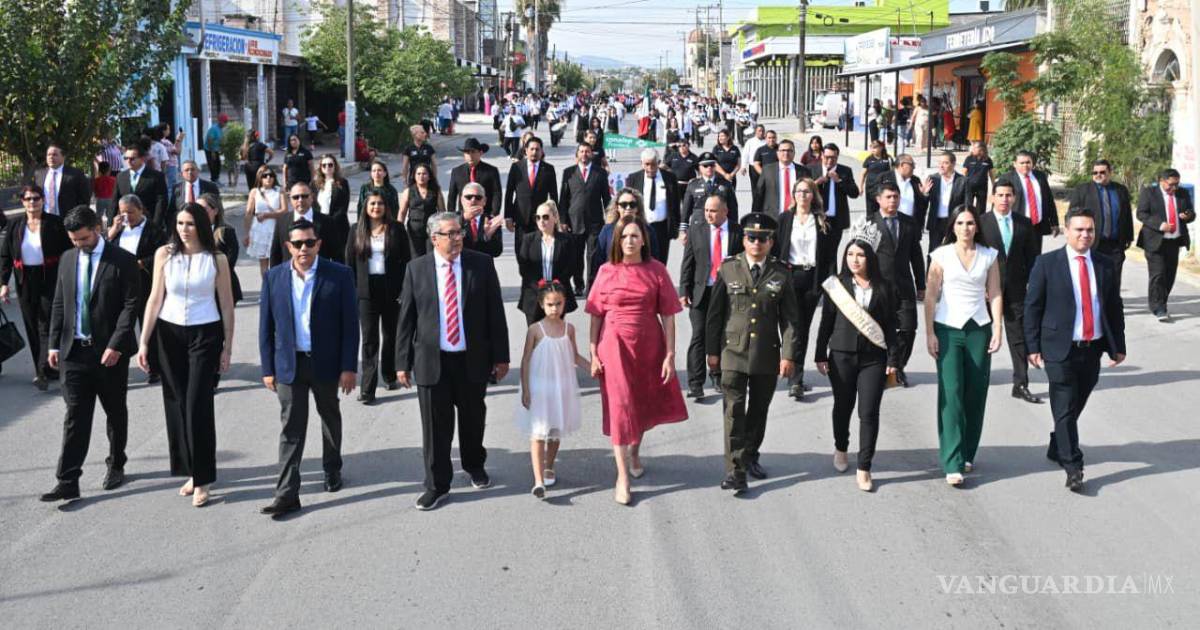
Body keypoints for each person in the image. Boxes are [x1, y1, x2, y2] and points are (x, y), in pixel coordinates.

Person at [395, 212, 510, 511]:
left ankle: (474, 465)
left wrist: (501, 357)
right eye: (451, 234)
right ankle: (437, 485)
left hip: (471, 359)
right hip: (432, 361)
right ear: (434, 238)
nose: (458, 238)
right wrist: (401, 362)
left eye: (459, 232)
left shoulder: (481, 264)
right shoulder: (416, 269)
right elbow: (406, 319)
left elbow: (495, 312)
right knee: (435, 428)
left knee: (473, 419)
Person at [258, 219, 359, 519]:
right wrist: (267, 368)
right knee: (291, 428)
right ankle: (286, 494)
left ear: (318, 244)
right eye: (298, 244)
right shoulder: (274, 277)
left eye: (309, 243)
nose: (304, 248)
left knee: (329, 416)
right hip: (289, 365)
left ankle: (332, 468)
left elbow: (350, 326)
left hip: (325, 363)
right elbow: (266, 328)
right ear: (288, 246)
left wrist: (348, 367)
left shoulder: (339, 275)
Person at [39, 206, 140, 502]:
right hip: (73, 353)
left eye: (83, 238)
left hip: (109, 353)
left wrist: (116, 344)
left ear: (97, 228)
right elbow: (60, 303)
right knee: (75, 416)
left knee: (114, 411)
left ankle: (116, 463)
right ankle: (68, 480)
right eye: (74, 240)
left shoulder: (122, 260)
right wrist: (54, 345)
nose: (79, 244)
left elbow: (130, 306)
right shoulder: (68, 259)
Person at [137, 202, 235, 507]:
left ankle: (204, 478)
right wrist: (143, 342)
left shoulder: (216, 259)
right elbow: (154, 299)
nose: (184, 229)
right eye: (180, 223)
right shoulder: (164, 255)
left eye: (190, 224)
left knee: (197, 404)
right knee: (177, 402)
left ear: (201, 226)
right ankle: (191, 470)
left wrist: (228, 347)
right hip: (169, 333)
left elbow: (226, 304)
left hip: (205, 333)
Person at [587, 215, 688, 505]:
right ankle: (622, 477)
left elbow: (668, 316)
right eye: (624, 236)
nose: (629, 241)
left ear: (644, 239)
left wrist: (670, 354)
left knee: (641, 403)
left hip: (648, 345)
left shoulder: (656, 270)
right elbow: (595, 315)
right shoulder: (606, 271)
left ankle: (634, 451)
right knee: (620, 406)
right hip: (613, 344)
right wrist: (593, 352)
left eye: (634, 235)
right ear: (616, 241)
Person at [1024, 208, 1127, 492]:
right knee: (1065, 404)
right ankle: (1073, 466)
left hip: (1091, 348)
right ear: (1067, 231)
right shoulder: (1047, 263)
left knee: (1074, 404)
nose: (1085, 235)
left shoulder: (1105, 264)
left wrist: (1118, 345)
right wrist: (1032, 346)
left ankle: (1058, 444)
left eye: (1090, 230)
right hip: (1059, 348)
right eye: (1079, 229)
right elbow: (1032, 307)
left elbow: (1113, 306)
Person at [706, 213, 798, 493]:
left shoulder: (781, 272)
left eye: (762, 238)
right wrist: (712, 352)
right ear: (744, 240)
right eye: (751, 237)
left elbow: (790, 320)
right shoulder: (728, 268)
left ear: (771, 242)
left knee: (758, 410)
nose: (756, 243)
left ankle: (749, 456)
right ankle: (735, 470)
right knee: (734, 411)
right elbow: (715, 314)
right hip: (732, 351)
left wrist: (788, 355)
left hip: (766, 353)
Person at [814, 220, 899, 492]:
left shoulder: (885, 287)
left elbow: (890, 326)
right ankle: (841, 447)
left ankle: (864, 466)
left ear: (870, 257)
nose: (854, 259)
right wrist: (820, 353)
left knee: (869, 411)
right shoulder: (836, 285)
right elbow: (826, 322)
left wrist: (893, 359)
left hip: (873, 358)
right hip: (841, 355)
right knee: (843, 406)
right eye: (850, 254)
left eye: (860, 254)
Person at [924, 205, 1003, 486]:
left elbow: (995, 292)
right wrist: (929, 333)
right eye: (960, 223)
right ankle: (952, 461)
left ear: (977, 226)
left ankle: (968, 452)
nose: (965, 228)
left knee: (975, 392)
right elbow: (931, 296)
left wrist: (997, 327)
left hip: (978, 328)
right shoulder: (941, 255)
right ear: (953, 226)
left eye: (970, 223)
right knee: (952, 393)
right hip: (947, 328)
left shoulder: (989, 255)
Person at [515, 280, 589, 498]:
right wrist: (526, 389)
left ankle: (549, 465)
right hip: (539, 388)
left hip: (561, 387)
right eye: (550, 304)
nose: (554, 308)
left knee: (555, 429)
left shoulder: (569, 329)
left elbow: (574, 356)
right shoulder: (535, 330)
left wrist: (593, 367)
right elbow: (526, 360)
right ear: (541, 304)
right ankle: (538, 480)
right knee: (538, 432)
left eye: (558, 304)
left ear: (565, 303)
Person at [0, 185, 72, 390]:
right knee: (32, 324)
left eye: (36, 198)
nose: (32, 202)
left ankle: (44, 370)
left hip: (50, 278)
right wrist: (3, 283)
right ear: (22, 201)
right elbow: (6, 256)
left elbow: (68, 252)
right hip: (25, 280)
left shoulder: (55, 223)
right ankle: (45, 367)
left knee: (46, 323)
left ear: (43, 200)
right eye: (28, 199)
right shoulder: (15, 225)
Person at [978, 181, 1040, 403]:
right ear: (992, 197)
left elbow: (1033, 257)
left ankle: (1021, 383)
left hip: (1016, 289)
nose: (1004, 199)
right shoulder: (981, 222)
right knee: (983, 335)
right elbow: (974, 256)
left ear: (1014, 198)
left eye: (1008, 195)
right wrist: (981, 286)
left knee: (1018, 336)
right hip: (987, 290)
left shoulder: (1024, 223)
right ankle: (979, 377)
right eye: (1000, 195)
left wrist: (1034, 284)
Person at [773, 178, 835, 400]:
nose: (802, 195)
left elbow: (829, 257)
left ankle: (795, 378)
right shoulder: (784, 219)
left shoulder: (822, 221)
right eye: (799, 191)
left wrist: (830, 283)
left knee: (802, 329)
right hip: (790, 277)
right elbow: (776, 250)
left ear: (813, 195)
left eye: (807, 191)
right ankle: (789, 370)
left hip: (812, 279)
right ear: (793, 194)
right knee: (790, 326)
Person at [347, 192, 411, 403]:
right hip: (366, 292)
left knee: (391, 335)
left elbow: (407, 260)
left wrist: (405, 288)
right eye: (372, 203)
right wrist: (352, 290)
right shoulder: (356, 230)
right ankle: (368, 389)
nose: (376, 207)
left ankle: (390, 374)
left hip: (391, 289)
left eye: (380, 203)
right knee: (369, 339)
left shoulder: (397, 229)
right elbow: (349, 263)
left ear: (386, 207)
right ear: (366, 207)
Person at [680, 195, 743, 399]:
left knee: (722, 334)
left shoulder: (737, 232)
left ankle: (718, 376)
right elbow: (688, 261)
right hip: (701, 291)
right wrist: (684, 290)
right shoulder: (696, 230)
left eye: (713, 211)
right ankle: (695, 383)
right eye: (706, 210)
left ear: (725, 211)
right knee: (699, 335)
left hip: (726, 292)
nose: (708, 214)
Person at [866, 183, 925, 388]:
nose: (893, 200)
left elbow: (916, 255)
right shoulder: (869, 223)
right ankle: (880, 368)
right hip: (878, 287)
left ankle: (898, 366)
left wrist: (921, 284)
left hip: (904, 286)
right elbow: (860, 256)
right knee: (878, 330)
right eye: (888, 197)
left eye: (896, 197)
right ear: (878, 199)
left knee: (908, 328)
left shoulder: (908, 222)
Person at [107, 194, 166, 354]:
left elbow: (163, 253)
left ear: (141, 210)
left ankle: (152, 358)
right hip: (120, 283)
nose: (127, 216)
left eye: (130, 212)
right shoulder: (119, 228)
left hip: (143, 281)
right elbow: (104, 248)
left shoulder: (154, 230)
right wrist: (112, 231)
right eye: (122, 212)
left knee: (147, 320)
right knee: (121, 322)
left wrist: (143, 263)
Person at [1137, 168, 1194, 321]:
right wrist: (1160, 225)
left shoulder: (1182, 193)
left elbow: (1191, 213)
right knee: (1158, 274)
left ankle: (1161, 301)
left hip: (1174, 242)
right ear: (1162, 181)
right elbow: (1141, 213)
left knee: (1169, 276)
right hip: (1155, 241)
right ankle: (1158, 308)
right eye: (1171, 184)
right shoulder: (1149, 193)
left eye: (1177, 184)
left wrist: (1187, 215)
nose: (1174, 188)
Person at [1068, 159, 1133, 295]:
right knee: (1093, 278)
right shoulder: (1083, 190)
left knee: (1114, 278)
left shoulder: (1120, 190)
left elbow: (1127, 215)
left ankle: (1112, 304)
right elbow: (1071, 215)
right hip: (1092, 243)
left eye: (1102, 172)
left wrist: (1129, 236)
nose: (1098, 175)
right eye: (1095, 172)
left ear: (1110, 173)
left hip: (1115, 244)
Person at [517, 200, 579, 325]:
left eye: (545, 217)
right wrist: (540, 286)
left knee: (555, 333)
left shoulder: (566, 240)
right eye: (538, 217)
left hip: (557, 296)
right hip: (534, 296)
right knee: (535, 334)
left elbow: (571, 266)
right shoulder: (528, 240)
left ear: (555, 218)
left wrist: (555, 286)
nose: (541, 221)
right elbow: (524, 268)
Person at [559, 144, 611, 294]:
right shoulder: (568, 172)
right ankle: (579, 285)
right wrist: (563, 220)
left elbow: (606, 198)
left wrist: (610, 218)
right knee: (576, 256)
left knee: (593, 256)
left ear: (591, 154)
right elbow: (563, 199)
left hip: (595, 222)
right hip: (574, 222)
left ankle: (591, 286)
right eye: (581, 151)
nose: (584, 154)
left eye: (587, 151)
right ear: (577, 154)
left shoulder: (600, 173)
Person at [995, 151, 1061, 252]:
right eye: (1022, 163)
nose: (1025, 165)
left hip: (1037, 226)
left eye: (1028, 162)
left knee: (1035, 257)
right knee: (1016, 256)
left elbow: (1049, 200)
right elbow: (998, 201)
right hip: (1017, 225)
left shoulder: (1040, 177)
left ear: (1032, 163)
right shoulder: (1007, 178)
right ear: (1015, 164)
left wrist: (1054, 222)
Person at [809, 143, 860, 273]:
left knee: (832, 254)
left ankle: (832, 281)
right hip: (817, 219)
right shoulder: (811, 169)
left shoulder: (845, 171)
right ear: (821, 155)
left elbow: (854, 193)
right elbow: (801, 191)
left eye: (833, 158)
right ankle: (816, 283)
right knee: (817, 252)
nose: (830, 160)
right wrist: (816, 183)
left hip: (836, 220)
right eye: (827, 157)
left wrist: (839, 181)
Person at [624, 149, 679, 266]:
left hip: (662, 228)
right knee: (641, 261)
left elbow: (675, 203)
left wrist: (678, 228)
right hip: (641, 227)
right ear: (642, 163)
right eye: (647, 164)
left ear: (658, 162)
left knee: (660, 262)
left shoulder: (669, 178)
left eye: (653, 164)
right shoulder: (633, 178)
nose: (650, 168)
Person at [504, 137, 558, 243]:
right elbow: (509, 193)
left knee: (538, 250)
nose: (534, 152)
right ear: (526, 150)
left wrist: (554, 218)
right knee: (521, 249)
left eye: (537, 149)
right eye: (532, 149)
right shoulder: (516, 168)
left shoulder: (548, 169)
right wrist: (508, 217)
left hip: (541, 219)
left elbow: (554, 195)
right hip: (520, 217)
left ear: (541, 151)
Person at [197, 193, 243, 307]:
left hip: (222, 285)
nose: (199, 213)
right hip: (198, 288)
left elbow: (230, 260)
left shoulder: (226, 232)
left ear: (215, 211)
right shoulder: (192, 231)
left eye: (204, 209)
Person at [920, 151, 968, 260]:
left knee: (954, 254)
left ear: (953, 164)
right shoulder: (933, 179)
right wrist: (925, 194)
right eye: (939, 163)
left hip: (954, 223)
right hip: (936, 222)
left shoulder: (962, 181)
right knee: (933, 253)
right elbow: (923, 205)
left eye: (945, 163)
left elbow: (967, 205)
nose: (941, 166)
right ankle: (931, 271)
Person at [271, 182, 330, 267]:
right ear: (290, 200)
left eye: (304, 196)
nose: (300, 200)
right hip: (289, 273)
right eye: (296, 197)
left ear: (312, 197)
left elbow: (337, 254)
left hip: (320, 273)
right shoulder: (282, 221)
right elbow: (275, 254)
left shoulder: (327, 221)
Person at [111, 141, 169, 226]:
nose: (128, 161)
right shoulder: (121, 176)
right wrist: (110, 224)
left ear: (142, 159)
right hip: (126, 224)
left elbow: (161, 202)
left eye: (132, 159)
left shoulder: (156, 176)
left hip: (148, 223)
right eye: (126, 158)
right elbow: (115, 201)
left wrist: (156, 225)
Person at [244, 166, 286, 276]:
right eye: (265, 175)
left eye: (271, 175)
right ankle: (266, 284)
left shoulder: (279, 191)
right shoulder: (254, 192)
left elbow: (284, 210)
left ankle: (275, 283)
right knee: (263, 262)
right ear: (260, 177)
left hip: (275, 228)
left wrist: (267, 215)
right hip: (259, 230)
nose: (268, 178)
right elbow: (249, 213)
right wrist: (247, 234)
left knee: (276, 260)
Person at [680, 152, 739, 230]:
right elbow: (686, 209)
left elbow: (733, 208)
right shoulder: (693, 185)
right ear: (700, 168)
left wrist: (734, 227)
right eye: (705, 166)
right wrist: (683, 229)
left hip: (720, 226)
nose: (709, 168)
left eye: (712, 165)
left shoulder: (725, 184)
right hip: (699, 226)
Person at [446, 138, 502, 217]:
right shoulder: (457, 171)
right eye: (467, 152)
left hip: (485, 214)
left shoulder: (491, 171)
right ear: (464, 155)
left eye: (473, 152)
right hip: (465, 215)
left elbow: (497, 194)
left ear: (480, 153)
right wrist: (451, 216)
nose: (470, 155)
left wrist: (493, 214)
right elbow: (452, 195)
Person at [399, 163, 447, 257]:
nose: (421, 176)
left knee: (431, 256)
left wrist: (444, 229)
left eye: (424, 174)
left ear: (429, 176)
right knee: (415, 257)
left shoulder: (436, 191)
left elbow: (442, 212)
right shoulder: (408, 191)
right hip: (414, 231)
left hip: (432, 230)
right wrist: (399, 229)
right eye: (418, 174)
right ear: (414, 176)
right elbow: (402, 212)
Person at [312, 154, 351, 264]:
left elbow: (343, 206)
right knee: (322, 259)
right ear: (320, 167)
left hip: (338, 226)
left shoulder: (342, 183)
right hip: (320, 226)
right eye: (324, 165)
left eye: (330, 165)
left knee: (339, 259)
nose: (327, 167)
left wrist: (330, 221)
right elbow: (313, 205)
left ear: (335, 166)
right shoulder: (315, 184)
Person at [32, 144, 92, 217]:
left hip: (68, 218)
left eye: (55, 155)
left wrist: (79, 216)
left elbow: (85, 198)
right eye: (48, 155)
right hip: (45, 218)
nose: (51, 157)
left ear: (63, 157)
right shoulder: (39, 174)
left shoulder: (75, 174)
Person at [755, 139, 802, 218]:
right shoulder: (767, 170)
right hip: (772, 216)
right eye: (783, 150)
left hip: (797, 216)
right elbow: (759, 195)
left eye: (789, 150)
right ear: (777, 153)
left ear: (794, 153)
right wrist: (755, 218)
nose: (786, 153)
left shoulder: (803, 172)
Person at [168, 160, 220, 228]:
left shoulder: (210, 187)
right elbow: (172, 210)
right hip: (184, 226)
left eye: (192, 169)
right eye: (187, 170)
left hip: (204, 225)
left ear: (198, 171)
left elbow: (218, 208)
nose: (190, 172)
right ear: (182, 174)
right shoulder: (177, 188)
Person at [460, 183, 505, 257]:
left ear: (484, 201)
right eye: (468, 197)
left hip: (483, 263)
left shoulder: (492, 222)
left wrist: (487, 237)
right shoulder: (452, 219)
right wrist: (463, 219)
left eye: (478, 197)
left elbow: (497, 252)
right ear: (462, 200)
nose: (473, 200)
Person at [859, 141, 894, 216]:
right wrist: (861, 187)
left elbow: (893, 173)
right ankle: (870, 221)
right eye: (871, 147)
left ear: (881, 147)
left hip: (884, 187)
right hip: (871, 187)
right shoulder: (869, 159)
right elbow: (863, 174)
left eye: (875, 147)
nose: (873, 149)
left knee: (883, 208)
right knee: (871, 209)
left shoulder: (888, 158)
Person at [749, 130, 779, 211]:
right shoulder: (761, 150)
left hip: (778, 178)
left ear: (776, 138)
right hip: (764, 179)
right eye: (769, 138)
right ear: (765, 138)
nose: (771, 140)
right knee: (759, 199)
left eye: (773, 138)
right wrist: (765, 175)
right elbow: (756, 164)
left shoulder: (780, 149)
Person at [961, 142, 994, 214]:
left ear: (981, 149)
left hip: (982, 187)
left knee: (981, 207)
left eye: (975, 147)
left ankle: (980, 220)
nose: (973, 149)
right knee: (968, 206)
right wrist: (963, 184)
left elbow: (991, 174)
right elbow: (964, 172)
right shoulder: (969, 158)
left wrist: (994, 185)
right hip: (970, 186)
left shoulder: (988, 160)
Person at [241, 130, 274, 196]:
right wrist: (267, 160)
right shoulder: (259, 145)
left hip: (248, 167)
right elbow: (271, 153)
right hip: (259, 167)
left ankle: (252, 199)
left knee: (251, 186)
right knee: (260, 186)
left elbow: (243, 158)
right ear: (256, 136)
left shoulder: (245, 146)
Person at [203, 114, 227, 182]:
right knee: (213, 165)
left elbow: (220, 140)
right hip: (209, 149)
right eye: (224, 122)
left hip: (215, 149)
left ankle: (216, 179)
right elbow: (210, 140)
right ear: (220, 121)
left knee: (218, 164)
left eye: (226, 122)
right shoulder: (214, 129)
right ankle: (214, 180)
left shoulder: (220, 129)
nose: (225, 124)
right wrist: (212, 152)